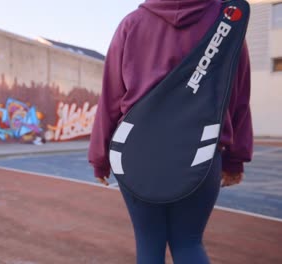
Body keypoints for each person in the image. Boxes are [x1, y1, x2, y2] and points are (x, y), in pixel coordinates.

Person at [88, 0, 253, 263]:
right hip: (201, 149)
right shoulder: (227, 21)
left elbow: (110, 97)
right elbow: (238, 96)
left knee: (148, 244)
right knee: (188, 243)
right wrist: (235, 158)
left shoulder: (131, 24)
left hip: (136, 153)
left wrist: (100, 159)